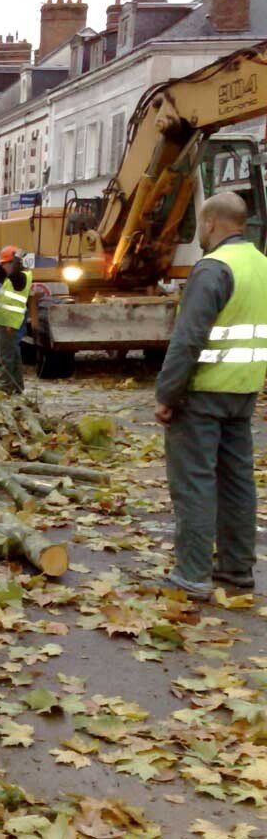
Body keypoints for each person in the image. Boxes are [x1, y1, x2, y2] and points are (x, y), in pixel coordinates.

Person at [152, 191, 267, 600]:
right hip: (243, 390)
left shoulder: (214, 267)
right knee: (237, 482)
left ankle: (192, 575)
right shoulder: (261, 266)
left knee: (195, 482)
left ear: (211, 224)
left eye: (201, 224)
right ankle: (236, 570)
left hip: (201, 394)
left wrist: (167, 394)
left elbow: (188, 340)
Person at [0, 245, 30, 394]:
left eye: (5, 263)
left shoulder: (19, 277)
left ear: (14, 264)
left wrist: (15, 260)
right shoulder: (10, 277)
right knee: (12, 355)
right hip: (5, 321)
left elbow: (13, 275)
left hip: (8, 322)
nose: (2, 266)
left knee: (5, 357)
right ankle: (16, 387)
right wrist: (4, 265)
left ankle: (4, 387)